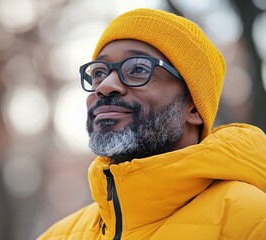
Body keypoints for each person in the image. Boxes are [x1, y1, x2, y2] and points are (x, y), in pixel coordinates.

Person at [38, 8, 266, 240]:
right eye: (98, 72)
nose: (104, 86)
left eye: (137, 69)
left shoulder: (252, 222)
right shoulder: (58, 235)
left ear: (194, 107)